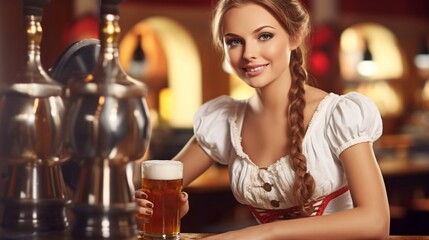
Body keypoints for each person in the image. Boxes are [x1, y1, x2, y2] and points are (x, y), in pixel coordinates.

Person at [135, 0, 390, 239]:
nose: (248, 54)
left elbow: (377, 221)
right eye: (234, 41)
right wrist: (146, 211)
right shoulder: (224, 121)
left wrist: (263, 234)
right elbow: (154, 192)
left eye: (264, 36)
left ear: (295, 36)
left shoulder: (338, 115)